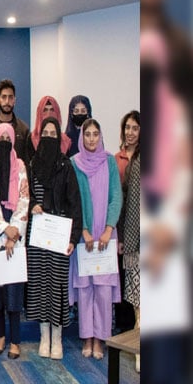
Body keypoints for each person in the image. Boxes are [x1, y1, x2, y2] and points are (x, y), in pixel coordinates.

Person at [25, 117, 82, 360]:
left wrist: (73, 237)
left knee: (57, 286)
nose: (48, 136)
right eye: (44, 133)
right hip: (37, 236)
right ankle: (44, 336)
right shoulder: (31, 165)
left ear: (58, 137)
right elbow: (22, 197)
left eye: (52, 133)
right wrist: (32, 206)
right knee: (39, 285)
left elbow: (75, 204)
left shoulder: (65, 166)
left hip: (58, 236)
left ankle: (57, 337)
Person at [70, 118, 123, 360]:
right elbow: (75, 200)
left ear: (100, 136)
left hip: (106, 235)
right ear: (82, 138)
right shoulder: (75, 163)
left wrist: (109, 229)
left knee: (102, 289)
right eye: (87, 134)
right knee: (86, 289)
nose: (91, 138)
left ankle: (100, 339)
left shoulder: (109, 161)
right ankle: (87, 337)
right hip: (85, 236)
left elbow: (116, 196)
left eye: (95, 134)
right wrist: (84, 231)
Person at [0, 122, 29, 360]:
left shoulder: (20, 166)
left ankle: (15, 340)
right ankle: (0, 337)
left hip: (16, 238)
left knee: (13, 291)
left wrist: (14, 233)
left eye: (7, 139)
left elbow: (24, 200)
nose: (3, 143)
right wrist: (3, 232)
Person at [114, 110, 140, 333]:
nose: (130, 132)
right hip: (122, 230)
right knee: (125, 282)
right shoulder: (117, 159)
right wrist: (120, 235)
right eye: (127, 128)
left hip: (143, 232)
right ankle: (125, 331)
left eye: (135, 128)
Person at [121, 150, 140, 372]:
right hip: (142, 246)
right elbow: (133, 206)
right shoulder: (138, 164)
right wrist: (132, 244)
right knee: (141, 305)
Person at [0, 79, 30, 164]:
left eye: (10, 97)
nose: (7, 101)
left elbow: (26, 162)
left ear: (14, 101)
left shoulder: (23, 130)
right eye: (4, 97)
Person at [25, 96, 71, 162]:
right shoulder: (32, 139)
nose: (49, 114)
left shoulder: (65, 141)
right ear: (39, 113)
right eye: (45, 110)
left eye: (52, 110)